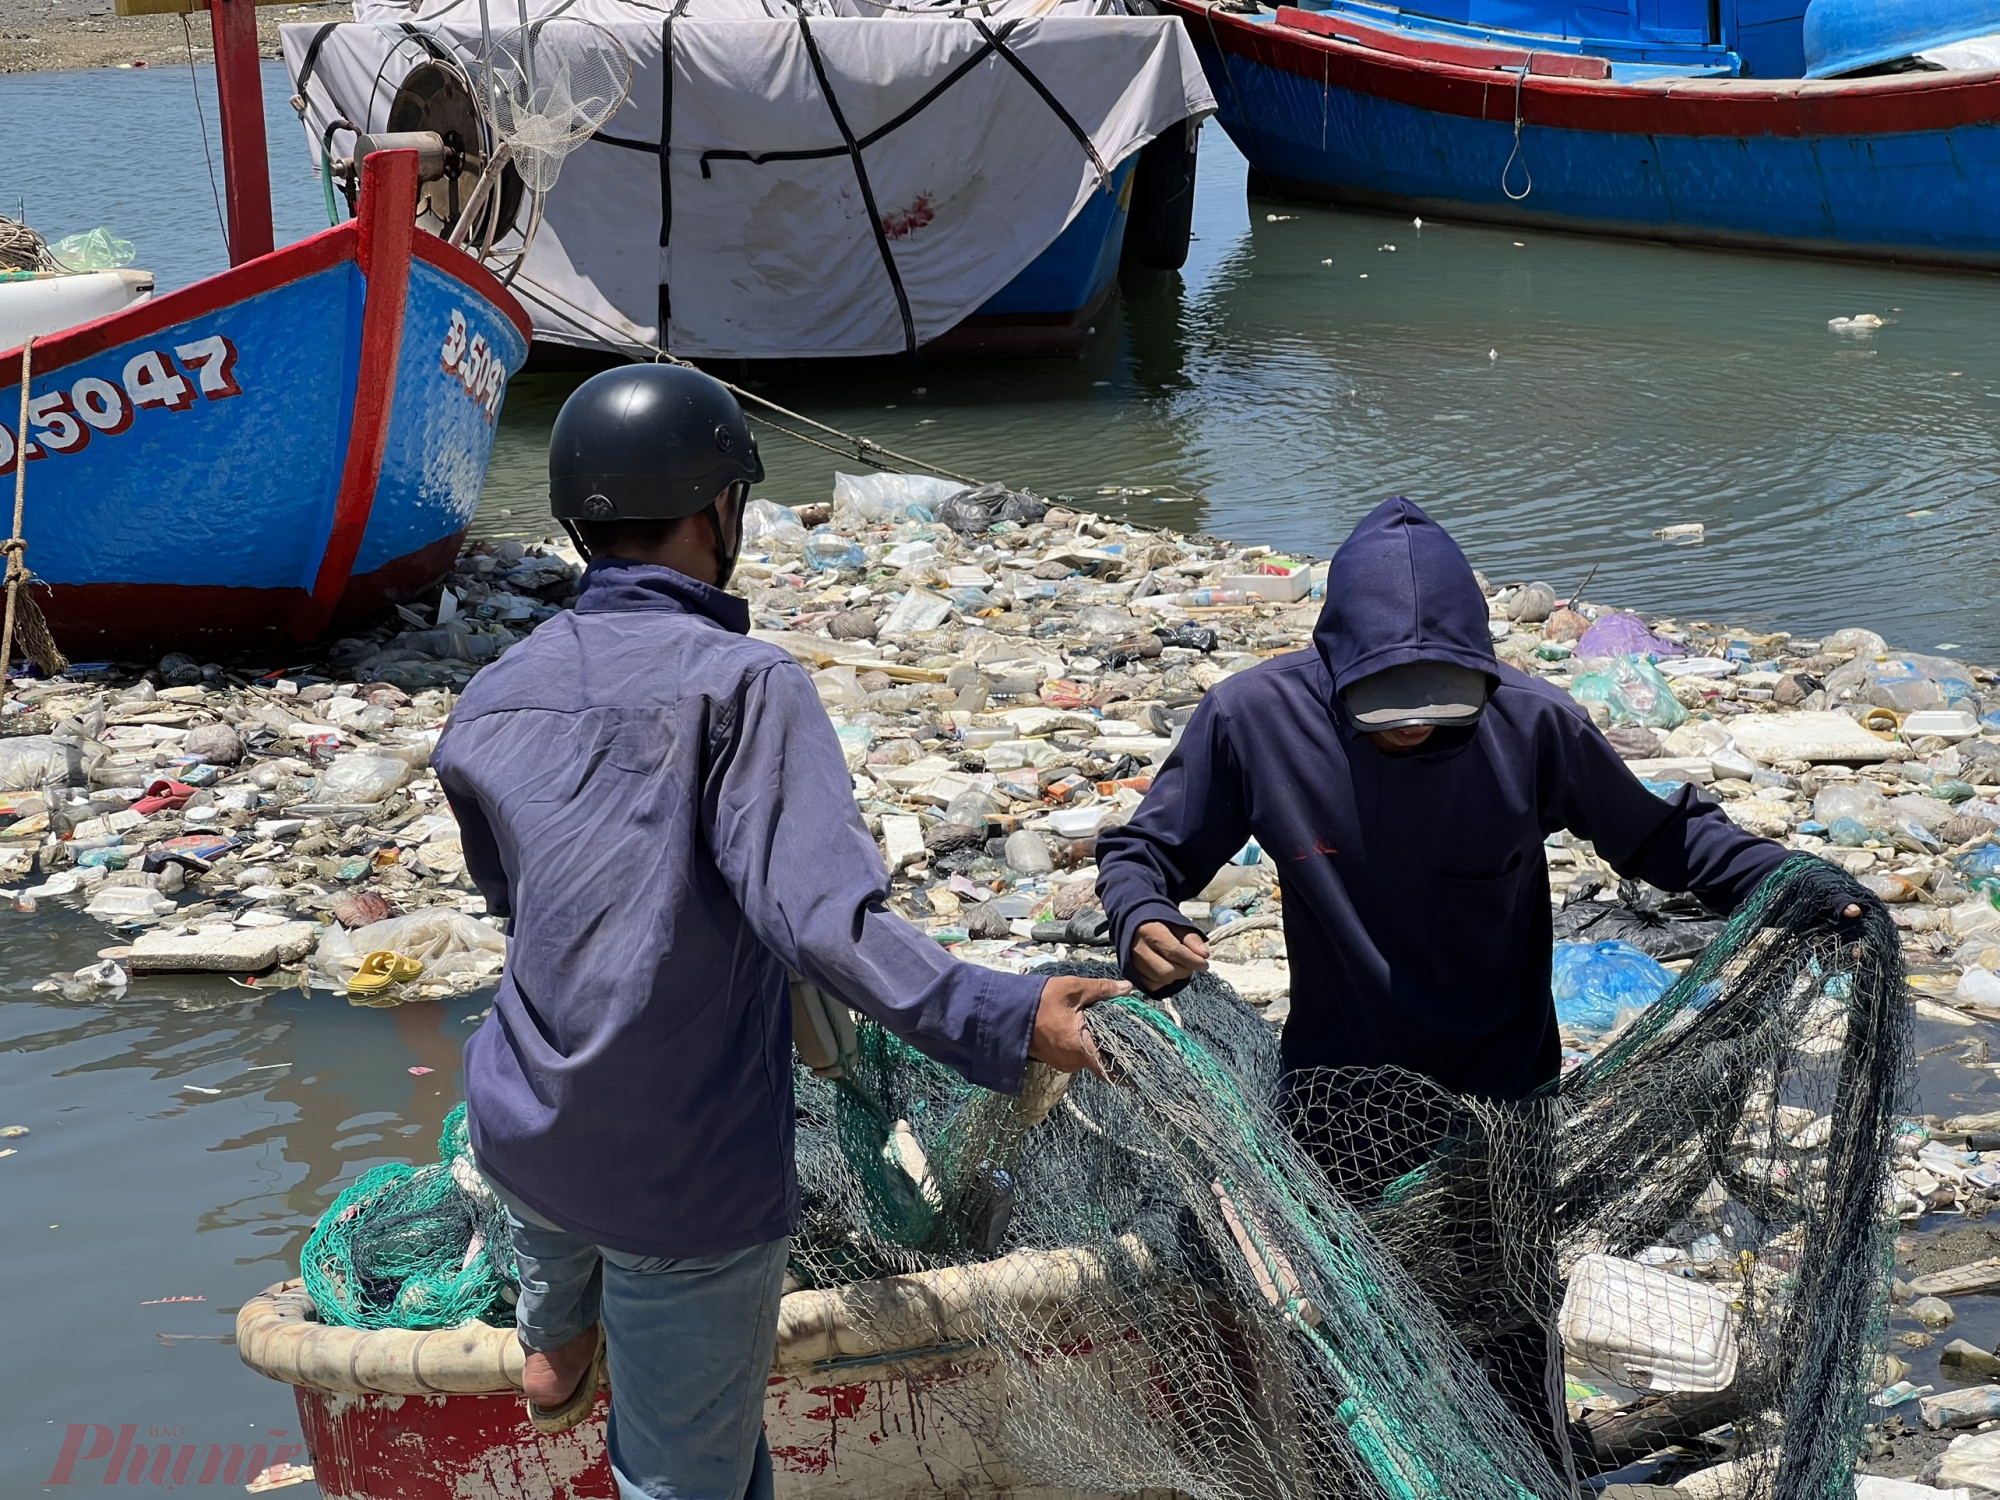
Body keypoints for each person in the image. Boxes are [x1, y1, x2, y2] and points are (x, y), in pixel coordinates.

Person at [433, 363, 1123, 1500]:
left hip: (522, 1121)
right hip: (678, 1170)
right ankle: (589, 1363)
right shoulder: (745, 684)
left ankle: (553, 1350)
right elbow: (820, 920)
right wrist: (1007, 1016)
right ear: (719, 513)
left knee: (561, 1247)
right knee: (677, 1477)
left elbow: (522, 905)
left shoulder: (493, 693)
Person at [1093, 496, 1845, 1474]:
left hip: (1503, 1088)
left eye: (1435, 699)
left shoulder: (1529, 725)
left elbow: (1660, 836)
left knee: (1507, 1319)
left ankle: (1529, 1472)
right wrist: (1142, 921)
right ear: (1334, 673)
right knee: (1354, 1320)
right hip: (1343, 1093)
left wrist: (1788, 884)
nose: (1410, 725)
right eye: (1381, 702)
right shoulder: (1256, 720)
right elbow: (1143, 851)